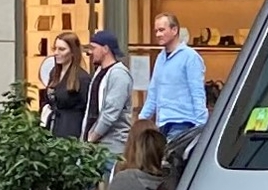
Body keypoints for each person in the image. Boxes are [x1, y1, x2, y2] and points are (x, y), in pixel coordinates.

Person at [137, 12, 208, 143]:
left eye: (162, 30)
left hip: (183, 123)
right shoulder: (160, 57)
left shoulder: (190, 57)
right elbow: (153, 93)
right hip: (162, 123)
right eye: (156, 31)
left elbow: (197, 93)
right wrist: (141, 120)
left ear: (174, 30)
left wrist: (201, 126)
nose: (158, 34)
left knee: (169, 160)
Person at [82, 30, 135, 161]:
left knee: (109, 180)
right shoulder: (99, 72)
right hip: (95, 147)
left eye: (93, 48)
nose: (90, 52)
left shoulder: (119, 74)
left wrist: (91, 138)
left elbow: (110, 113)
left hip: (112, 147)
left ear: (106, 49)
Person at [37, 33, 89, 141]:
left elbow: (87, 111)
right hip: (52, 127)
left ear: (73, 52)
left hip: (71, 131)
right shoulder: (54, 73)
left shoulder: (82, 78)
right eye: (55, 48)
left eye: (62, 49)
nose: (56, 53)